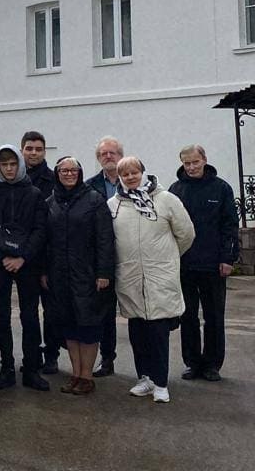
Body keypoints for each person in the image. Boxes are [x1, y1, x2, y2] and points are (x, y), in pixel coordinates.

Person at [111, 157, 195, 403]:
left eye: (134, 172)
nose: (130, 177)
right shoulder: (114, 204)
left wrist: (168, 258)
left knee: (158, 331)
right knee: (137, 332)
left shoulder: (166, 199)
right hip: (130, 278)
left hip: (159, 276)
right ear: (120, 178)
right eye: (125, 174)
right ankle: (144, 378)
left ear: (143, 172)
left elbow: (186, 234)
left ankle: (160, 382)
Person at [0, 145, 49, 391]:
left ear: (20, 164)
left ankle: (31, 369)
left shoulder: (34, 193)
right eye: (4, 164)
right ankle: (7, 367)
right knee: (3, 317)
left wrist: (22, 258)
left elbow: (40, 230)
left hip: (27, 264)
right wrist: (2, 256)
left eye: (13, 164)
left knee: (29, 316)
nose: (9, 168)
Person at [42, 157, 115, 396]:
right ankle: (75, 373)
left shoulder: (94, 200)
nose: (69, 174)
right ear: (57, 173)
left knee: (89, 327)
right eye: (64, 170)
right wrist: (43, 270)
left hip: (88, 275)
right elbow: (45, 242)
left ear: (80, 173)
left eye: (73, 170)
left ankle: (87, 376)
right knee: (69, 327)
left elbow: (105, 239)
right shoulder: (50, 202)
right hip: (59, 276)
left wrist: (104, 272)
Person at [168, 145, 238, 382]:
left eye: (195, 162)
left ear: (204, 160)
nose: (191, 167)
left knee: (214, 316)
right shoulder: (175, 190)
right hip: (185, 264)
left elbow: (230, 225)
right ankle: (192, 362)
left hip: (213, 264)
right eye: (187, 163)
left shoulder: (221, 188)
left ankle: (212, 364)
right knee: (187, 316)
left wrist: (227, 258)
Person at [21, 131, 59, 374]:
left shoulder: (54, 179)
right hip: (20, 255)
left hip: (46, 255)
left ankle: (52, 354)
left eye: (38, 149)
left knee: (51, 310)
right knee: (28, 312)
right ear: (22, 150)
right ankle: (31, 356)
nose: (33, 153)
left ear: (44, 152)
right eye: (29, 148)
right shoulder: (14, 176)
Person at [86, 136, 123, 378]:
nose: (108, 157)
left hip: (130, 254)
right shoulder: (90, 186)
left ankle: (148, 363)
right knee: (106, 313)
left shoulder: (134, 180)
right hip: (103, 256)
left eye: (112, 153)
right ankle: (107, 358)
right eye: (103, 154)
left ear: (121, 155)